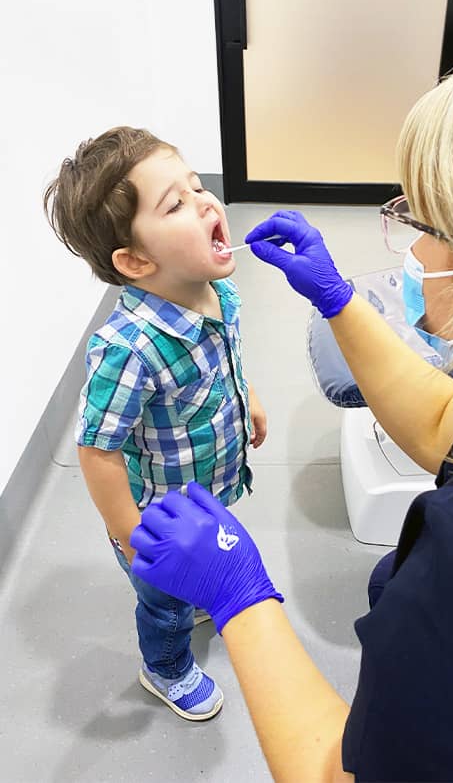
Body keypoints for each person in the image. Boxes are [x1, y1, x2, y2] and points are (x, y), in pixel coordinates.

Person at [130, 1, 453, 780]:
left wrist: (239, 598)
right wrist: (339, 300)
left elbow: (332, 772)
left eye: (428, 224)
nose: (413, 246)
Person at [43, 127, 268, 721]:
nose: (205, 202)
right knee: (165, 607)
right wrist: (134, 536)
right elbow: (97, 451)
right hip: (157, 520)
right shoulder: (129, 349)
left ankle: (190, 591)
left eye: (197, 187)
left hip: (208, 488)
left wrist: (252, 401)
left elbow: (229, 359)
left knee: (190, 583)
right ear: (136, 260)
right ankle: (164, 667)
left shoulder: (217, 292)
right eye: (176, 203)